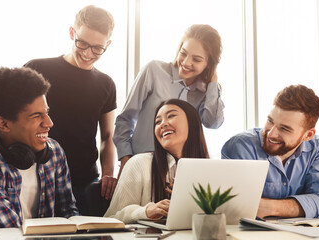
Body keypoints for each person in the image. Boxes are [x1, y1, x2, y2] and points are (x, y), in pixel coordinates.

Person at [0, 67, 79, 239]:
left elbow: (69, 215)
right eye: (36, 116)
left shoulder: (54, 152)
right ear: (3, 124)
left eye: (46, 113)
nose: (49, 123)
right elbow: (8, 236)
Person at [24, 5, 117, 215]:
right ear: (71, 33)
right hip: (36, 175)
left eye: (97, 48)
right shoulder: (37, 68)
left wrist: (108, 174)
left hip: (84, 181)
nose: (87, 53)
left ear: (107, 45)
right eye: (82, 43)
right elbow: (14, 119)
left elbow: (107, 136)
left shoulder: (106, 84)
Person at [114, 24, 224, 177]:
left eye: (197, 59)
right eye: (183, 53)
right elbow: (125, 119)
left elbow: (212, 122)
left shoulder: (205, 92)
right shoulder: (154, 71)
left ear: (209, 64)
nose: (185, 63)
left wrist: (213, 83)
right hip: (141, 169)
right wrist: (126, 160)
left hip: (180, 174)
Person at [221, 85, 319, 219]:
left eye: (285, 129)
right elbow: (237, 206)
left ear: (308, 135)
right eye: (270, 121)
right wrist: (297, 207)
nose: (271, 133)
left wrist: (269, 207)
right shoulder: (241, 147)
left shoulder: (318, 149)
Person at [104, 99, 209, 223]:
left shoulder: (210, 169)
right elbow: (110, 219)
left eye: (171, 116)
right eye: (157, 122)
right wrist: (146, 211)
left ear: (192, 123)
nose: (162, 124)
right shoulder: (138, 164)